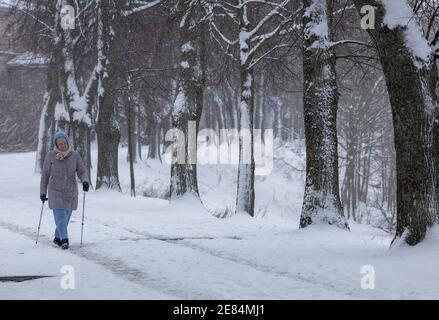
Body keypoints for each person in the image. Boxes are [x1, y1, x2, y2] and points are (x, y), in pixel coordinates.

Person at [40, 131, 90, 249]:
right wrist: (42, 192)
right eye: (60, 144)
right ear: (56, 145)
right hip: (55, 190)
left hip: (70, 191)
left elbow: (82, 171)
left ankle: (58, 237)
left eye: (64, 142)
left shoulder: (75, 155)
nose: (62, 145)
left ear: (67, 142)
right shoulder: (50, 156)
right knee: (60, 216)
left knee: (65, 217)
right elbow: (45, 175)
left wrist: (85, 181)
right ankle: (64, 240)